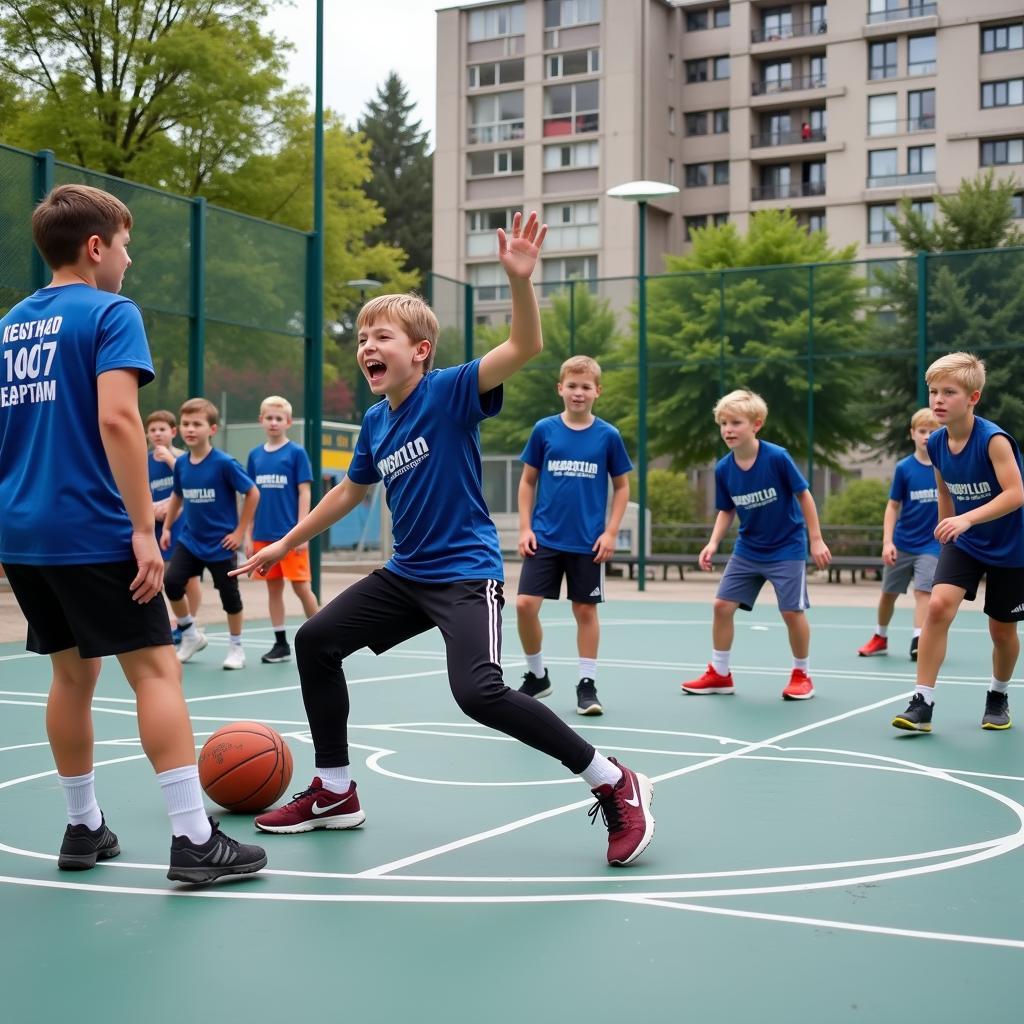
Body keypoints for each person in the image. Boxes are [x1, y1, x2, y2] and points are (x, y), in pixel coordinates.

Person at [233, 212, 655, 866]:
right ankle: (336, 791)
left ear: (420, 350)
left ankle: (610, 778)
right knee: (317, 641)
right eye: (362, 338)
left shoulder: (451, 390)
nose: (367, 346)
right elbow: (351, 491)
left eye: (383, 336)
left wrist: (520, 282)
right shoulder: (376, 420)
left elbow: (523, 348)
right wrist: (279, 542)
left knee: (478, 691)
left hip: (464, 573)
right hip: (408, 575)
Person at [0, 183, 265, 882]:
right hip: (93, 528)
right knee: (155, 669)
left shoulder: (11, 326)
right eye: (124, 245)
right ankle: (193, 839)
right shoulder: (112, 312)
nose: (129, 258)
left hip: (23, 531)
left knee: (70, 675)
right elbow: (119, 420)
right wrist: (145, 532)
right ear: (95, 248)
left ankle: (83, 829)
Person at [892, 352, 1024, 733]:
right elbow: (945, 490)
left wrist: (966, 518)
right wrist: (944, 531)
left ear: (973, 398)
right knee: (937, 607)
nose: (938, 400)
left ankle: (997, 695)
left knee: (1002, 631)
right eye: (933, 391)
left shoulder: (994, 440)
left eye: (949, 392)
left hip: (1011, 544)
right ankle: (922, 702)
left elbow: (1016, 493)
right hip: (964, 542)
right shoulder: (935, 443)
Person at [681, 388, 832, 700]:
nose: (728, 430)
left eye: (735, 423)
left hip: (787, 547)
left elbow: (804, 495)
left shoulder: (776, 458)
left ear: (756, 424)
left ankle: (801, 674)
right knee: (722, 606)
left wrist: (816, 540)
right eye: (723, 423)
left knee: (791, 611)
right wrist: (712, 543)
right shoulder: (724, 468)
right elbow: (727, 509)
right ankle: (720, 674)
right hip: (748, 548)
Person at [515, 355, 632, 715]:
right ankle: (537, 677)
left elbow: (623, 487)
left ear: (597, 391)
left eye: (585, 387)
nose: (578, 393)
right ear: (560, 388)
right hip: (545, 538)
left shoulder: (607, 436)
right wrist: (525, 527)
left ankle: (587, 685)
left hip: (587, 543)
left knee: (584, 611)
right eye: (572, 385)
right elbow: (527, 481)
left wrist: (611, 532)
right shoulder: (545, 430)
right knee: (523, 605)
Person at [161, 397, 259, 670]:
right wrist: (167, 527)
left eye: (197, 424)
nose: (190, 429)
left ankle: (236, 647)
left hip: (221, 544)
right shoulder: (181, 464)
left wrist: (240, 532)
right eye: (185, 424)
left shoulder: (224, 463)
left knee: (230, 597)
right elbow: (177, 496)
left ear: (212, 429)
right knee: (171, 583)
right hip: (190, 540)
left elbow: (252, 492)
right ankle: (190, 634)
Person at [857, 408, 939, 662]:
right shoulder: (904, 468)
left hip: (932, 545)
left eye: (933, 431)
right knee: (888, 594)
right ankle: (880, 637)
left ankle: (919, 640)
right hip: (903, 543)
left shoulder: (946, 467)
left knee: (923, 592)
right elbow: (893, 506)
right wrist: (887, 542)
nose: (927, 436)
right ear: (912, 434)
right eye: (922, 431)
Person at [245, 395, 319, 664]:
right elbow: (250, 496)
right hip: (263, 536)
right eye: (269, 418)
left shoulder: (296, 453)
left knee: (302, 588)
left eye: (279, 418)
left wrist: (302, 531)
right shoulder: (254, 456)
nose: (274, 422)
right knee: (273, 589)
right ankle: (280, 644)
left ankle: (325, 635)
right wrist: (248, 532)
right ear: (261, 420)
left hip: (290, 537)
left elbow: (304, 493)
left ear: (288, 422)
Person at [146, 409, 202, 644]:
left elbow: (188, 486)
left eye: (162, 429)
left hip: (182, 525)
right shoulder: (144, 460)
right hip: (157, 527)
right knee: (162, 576)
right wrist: (151, 509)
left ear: (173, 432)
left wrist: (169, 459)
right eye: (153, 430)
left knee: (188, 578)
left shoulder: (181, 458)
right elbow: (140, 490)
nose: (157, 434)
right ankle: (171, 622)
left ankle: (189, 623)